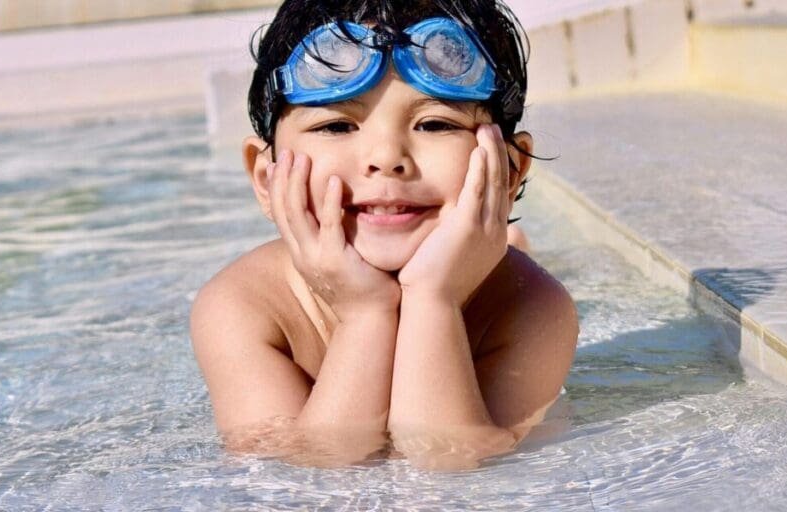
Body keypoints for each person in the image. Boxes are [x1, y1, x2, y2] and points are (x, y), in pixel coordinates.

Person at [190, 0, 578, 470]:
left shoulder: (532, 305)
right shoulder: (243, 306)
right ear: (267, 178)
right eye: (336, 125)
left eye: (435, 123)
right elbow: (305, 476)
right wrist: (365, 314)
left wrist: (435, 299)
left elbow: (450, 468)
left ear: (510, 171)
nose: (386, 157)